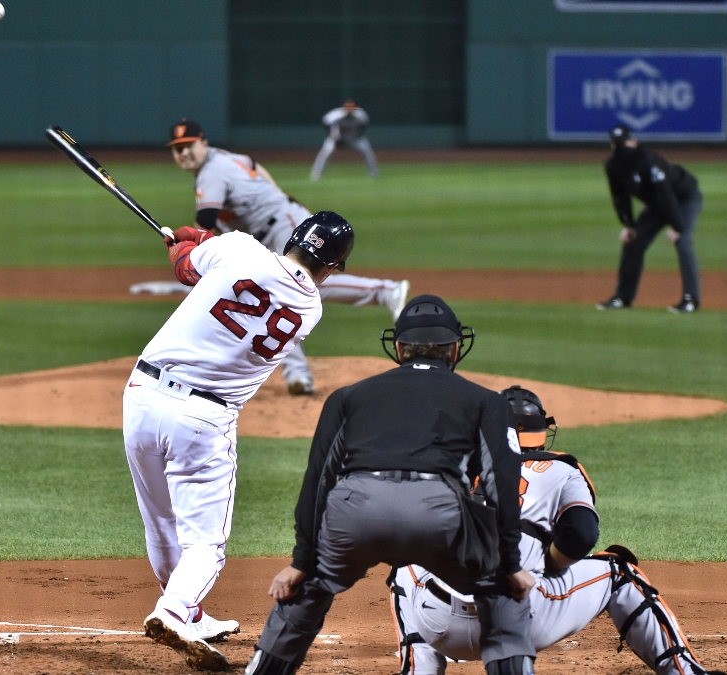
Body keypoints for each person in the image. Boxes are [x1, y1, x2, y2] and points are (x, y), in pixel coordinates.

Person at [244, 295, 537, 675]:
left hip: (355, 511)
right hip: (438, 515)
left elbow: (318, 479)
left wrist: (302, 563)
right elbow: (501, 483)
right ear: (455, 349)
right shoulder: (486, 401)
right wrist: (509, 564)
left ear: (398, 348)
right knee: (500, 591)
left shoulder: (347, 397)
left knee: (310, 586)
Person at [125, 212, 355, 671]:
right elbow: (233, 271)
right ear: (332, 267)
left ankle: (187, 610)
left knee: (161, 523)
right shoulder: (310, 310)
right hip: (202, 420)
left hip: (142, 397)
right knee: (205, 543)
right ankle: (172, 611)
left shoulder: (239, 248)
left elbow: (188, 268)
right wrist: (205, 244)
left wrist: (189, 245)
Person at [388, 387, 726, 675]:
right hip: (518, 617)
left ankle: (419, 668)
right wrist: (549, 565)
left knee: (406, 567)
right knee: (619, 572)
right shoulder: (561, 467)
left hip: (439, 623)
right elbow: (580, 534)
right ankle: (684, 670)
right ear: (540, 431)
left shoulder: (458, 466)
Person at [167, 118, 409, 395]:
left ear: (203, 143)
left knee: (300, 287)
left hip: (283, 225)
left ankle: (385, 291)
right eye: (178, 149)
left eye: (189, 145)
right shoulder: (223, 158)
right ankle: (298, 374)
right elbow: (256, 167)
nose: (184, 153)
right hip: (277, 223)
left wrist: (192, 250)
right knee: (276, 298)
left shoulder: (211, 171)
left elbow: (206, 219)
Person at [597, 124, 704, 314]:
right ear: (612, 147)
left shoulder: (649, 161)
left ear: (634, 141)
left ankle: (691, 300)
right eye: (617, 144)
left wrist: (677, 227)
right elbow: (620, 197)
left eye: (625, 143)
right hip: (658, 205)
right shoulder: (613, 166)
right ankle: (623, 297)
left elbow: (666, 195)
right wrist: (629, 225)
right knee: (633, 241)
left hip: (684, 198)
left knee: (683, 241)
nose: (622, 148)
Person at [309, 99, 379, 181]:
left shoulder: (360, 114)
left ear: (355, 108)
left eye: (352, 107)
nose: (349, 109)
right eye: (347, 107)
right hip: (337, 137)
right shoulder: (336, 114)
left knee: (367, 151)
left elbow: (364, 125)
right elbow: (326, 123)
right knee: (325, 153)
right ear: (344, 108)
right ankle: (315, 176)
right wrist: (332, 136)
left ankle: (374, 174)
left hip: (354, 138)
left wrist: (358, 135)